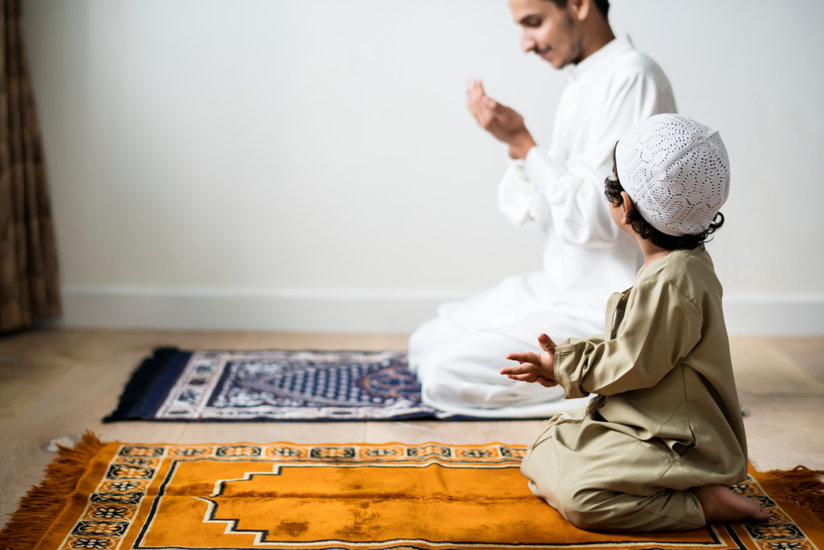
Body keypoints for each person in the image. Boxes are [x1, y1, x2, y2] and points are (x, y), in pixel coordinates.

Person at [501, 114, 771, 531]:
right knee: (544, 450)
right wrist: (568, 358)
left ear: (624, 205)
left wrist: (565, 369)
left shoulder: (674, 280)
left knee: (582, 498)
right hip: (645, 422)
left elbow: (633, 360)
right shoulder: (675, 266)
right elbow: (636, 344)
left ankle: (701, 501)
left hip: (679, 441)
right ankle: (669, 484)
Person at [408, 0, 677, 417]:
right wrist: (518, 151)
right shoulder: (582, 81)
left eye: (534, 23)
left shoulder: (633, 77)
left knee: (445, 373)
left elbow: (600, 221)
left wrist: (525, 146)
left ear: (579, 5)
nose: (525, 43)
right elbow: (541, 210)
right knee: (425, 341)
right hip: (558, 288)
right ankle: (590, 376)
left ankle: (620, 378)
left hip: (604, 307)